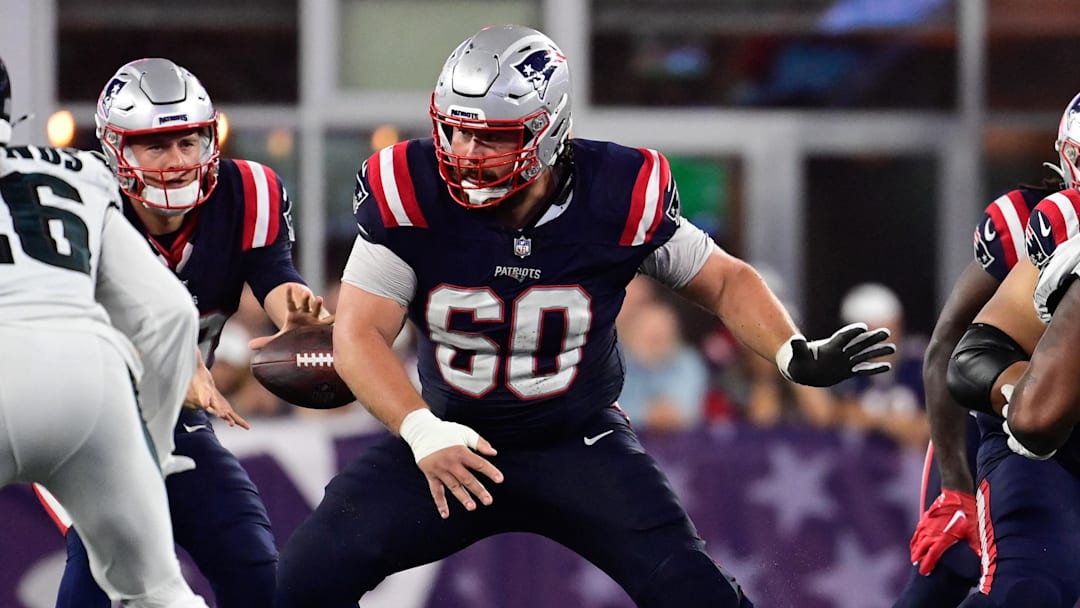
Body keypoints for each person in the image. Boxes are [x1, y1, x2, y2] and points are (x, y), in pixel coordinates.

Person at [275, 25, 896, 607]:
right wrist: (420, 430)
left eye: (492, 136)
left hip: (578, 441)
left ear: (548, 131)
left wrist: (791, 351)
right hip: (448, 438)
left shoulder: (618, 193)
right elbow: (359, 333)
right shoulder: (409, 190)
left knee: (691, 591)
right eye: (456, 131)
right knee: (303, 577)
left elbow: (725, 279)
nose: (465, 153)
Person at [36, 58, 331, 608]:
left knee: (255, 571)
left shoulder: (247, 193)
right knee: (104, 567)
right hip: (79, 419)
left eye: (187, 142)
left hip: (174, 419)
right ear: (116, 150)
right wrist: (176, 362)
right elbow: (80, 317)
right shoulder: (80, 199)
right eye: (155, 146)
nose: (176, 160)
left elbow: (274, 275)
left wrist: (297, 314)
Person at [0, 56, 207, 607]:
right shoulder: (77, 173)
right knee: (160, 591)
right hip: (88, 379)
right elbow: (171, 313)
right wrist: (151, 449)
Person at [892, 100, 1070, 608]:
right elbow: (949, 344)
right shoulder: (1032, 221)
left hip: (1057, 421)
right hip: (997, 416)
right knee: (952, 562)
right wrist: (955, 486)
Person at [938, 94, 1080, 607]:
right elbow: (964, 353)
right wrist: (953, 486)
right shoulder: (1063, 226)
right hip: (1044, 444)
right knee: (1027, 588)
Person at [834, 282, 929, 451]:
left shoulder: (918, 362)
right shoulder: (844, 367)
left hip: (911, 461)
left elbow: (933, 425)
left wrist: (879, 420)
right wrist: (890, 423)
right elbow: (836, 414)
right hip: (858, 461)